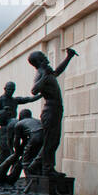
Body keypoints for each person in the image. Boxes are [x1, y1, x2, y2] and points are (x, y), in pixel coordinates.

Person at [24, 48, 76, 176]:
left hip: (56, 109)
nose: (46, 58)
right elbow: (34, 90)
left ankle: (38, 166)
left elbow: (57, 72)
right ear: (39, 61)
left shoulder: (46, 72)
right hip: (51, 110)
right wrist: (46, 76)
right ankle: (46, 168)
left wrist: (68, 57)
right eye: (43, 57)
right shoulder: (41, 73)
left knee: (54, 141)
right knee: (50, 141)